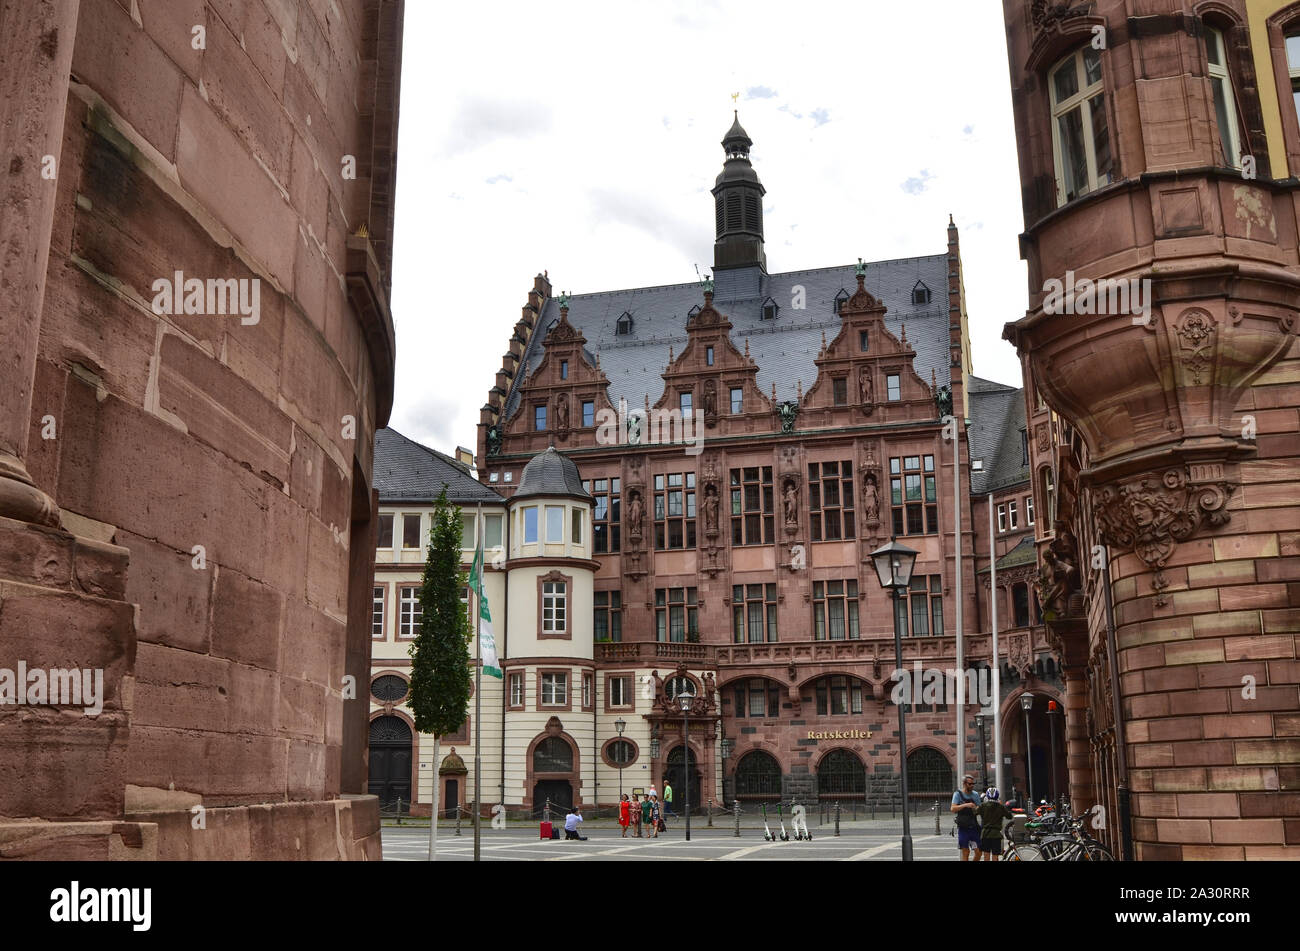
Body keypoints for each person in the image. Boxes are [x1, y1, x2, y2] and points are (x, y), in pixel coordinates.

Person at [951, 774, 983, 861]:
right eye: (970, 784)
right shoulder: (957, 794)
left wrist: (975, 808)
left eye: (973, 784)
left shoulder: (975, 794)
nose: (972, 785)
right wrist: (966, 805)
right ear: (964, 784)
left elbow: (980, 808)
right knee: (966, 852)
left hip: (973, 826)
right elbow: (953, 808)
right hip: (963, 827)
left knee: (979, 851)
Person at [977, 788, 1013, 862]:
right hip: (996, 834)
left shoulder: (983, 806)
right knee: (995, 856)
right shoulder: (1000, 807)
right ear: (997, 796)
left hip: (985, 834)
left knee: (986, 855)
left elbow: (974, 812)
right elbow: (1009, 816)